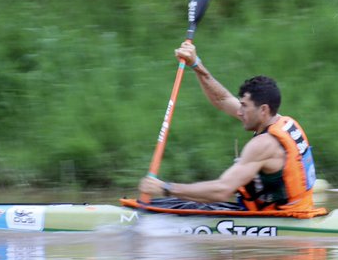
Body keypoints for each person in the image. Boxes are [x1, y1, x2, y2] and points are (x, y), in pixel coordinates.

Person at [136, 43, 322, 217]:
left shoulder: (264, 145)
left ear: (263, 109)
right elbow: (222, 99)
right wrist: (196, 64)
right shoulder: (280, 121)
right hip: (293, 209)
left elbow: (222, 190)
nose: (239, 112)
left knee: (169, 202)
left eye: (244, 106)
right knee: (179, 202)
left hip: (279, 216)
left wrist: (166, 188)